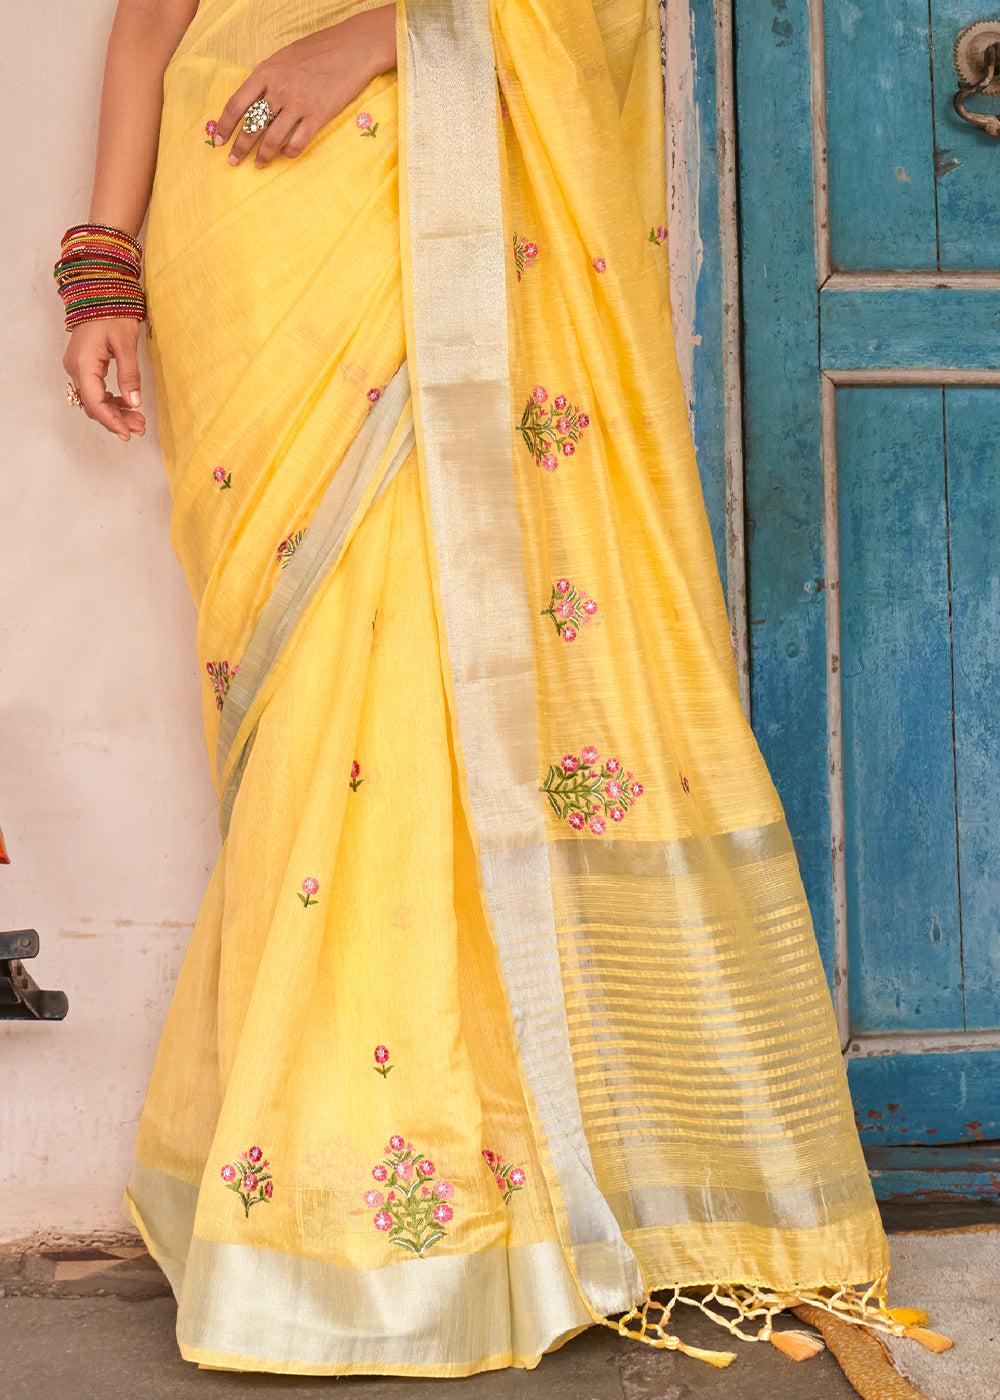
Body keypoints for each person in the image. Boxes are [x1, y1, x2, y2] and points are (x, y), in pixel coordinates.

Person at [58, 0, 917, 1381]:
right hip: (260, 236)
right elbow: (152, 10)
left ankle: (496, 1193)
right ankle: (322, 1187)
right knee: (323, 718)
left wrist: (389, 33)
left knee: (438, 679)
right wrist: (101, 264)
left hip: (435, 206)